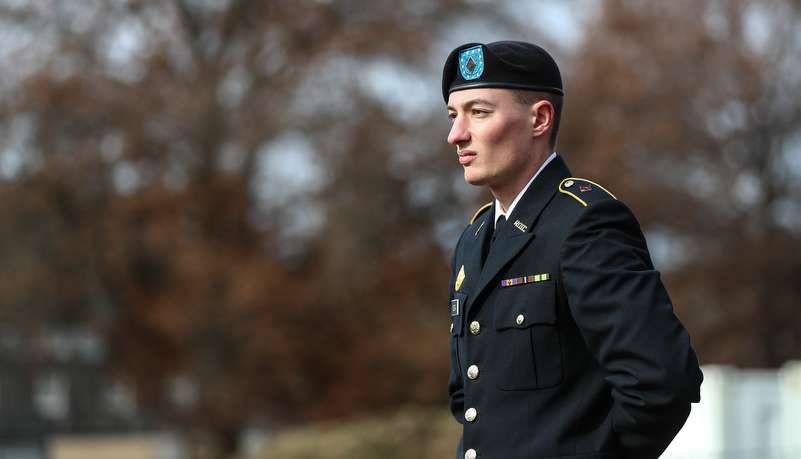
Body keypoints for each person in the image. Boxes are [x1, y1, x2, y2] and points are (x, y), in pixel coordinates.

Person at [443, 41, 703, 459]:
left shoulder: (585, 223)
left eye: (479, 112)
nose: (456, 134)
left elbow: (661, 382)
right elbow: (472, 400)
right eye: (454, 115)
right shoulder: (473, 241)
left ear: (540, 119)